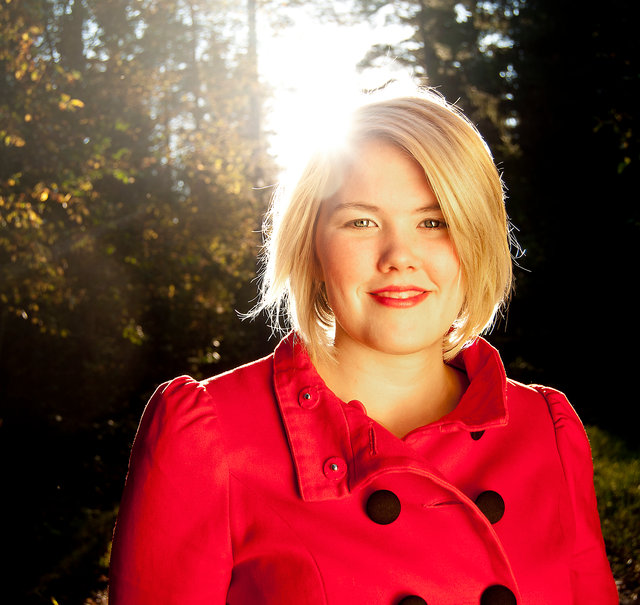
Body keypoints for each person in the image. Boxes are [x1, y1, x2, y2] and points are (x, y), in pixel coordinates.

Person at [109, 89, 618, 604]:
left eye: (434, 221)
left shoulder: (547, 431)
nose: (399, 256)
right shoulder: (209, 437)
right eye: (361, 221)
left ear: (478, 241)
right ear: (312, 246)